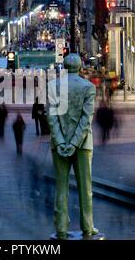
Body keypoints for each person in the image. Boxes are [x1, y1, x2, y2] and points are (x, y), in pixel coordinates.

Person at [48, 54, 100, 240]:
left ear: (64, 66)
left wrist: (62, 142)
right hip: (83, 144)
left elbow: (52, 118)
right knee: (85, 188)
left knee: (61, 187)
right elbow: (86, 119)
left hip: (59, 144)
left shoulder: (53, 86)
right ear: (80, 67)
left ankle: (61, 227)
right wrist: (75, 142)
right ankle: (88, 226)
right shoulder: (88, 87)